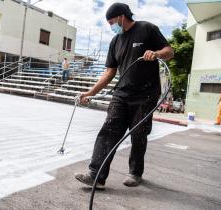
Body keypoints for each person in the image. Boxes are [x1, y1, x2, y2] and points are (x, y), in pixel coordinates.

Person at [74, 2, 174, 189]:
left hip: (146, 94)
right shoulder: (115, 41)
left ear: (121, 16)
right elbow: (109, 72)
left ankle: (135, 173)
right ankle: (96, 175)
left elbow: (169, 51)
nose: (111, 26)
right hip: (121, 94)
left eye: (112, 21)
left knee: (138, 134)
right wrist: (90, 92)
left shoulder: (147, 29)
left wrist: (157, 53)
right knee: (108, 131)